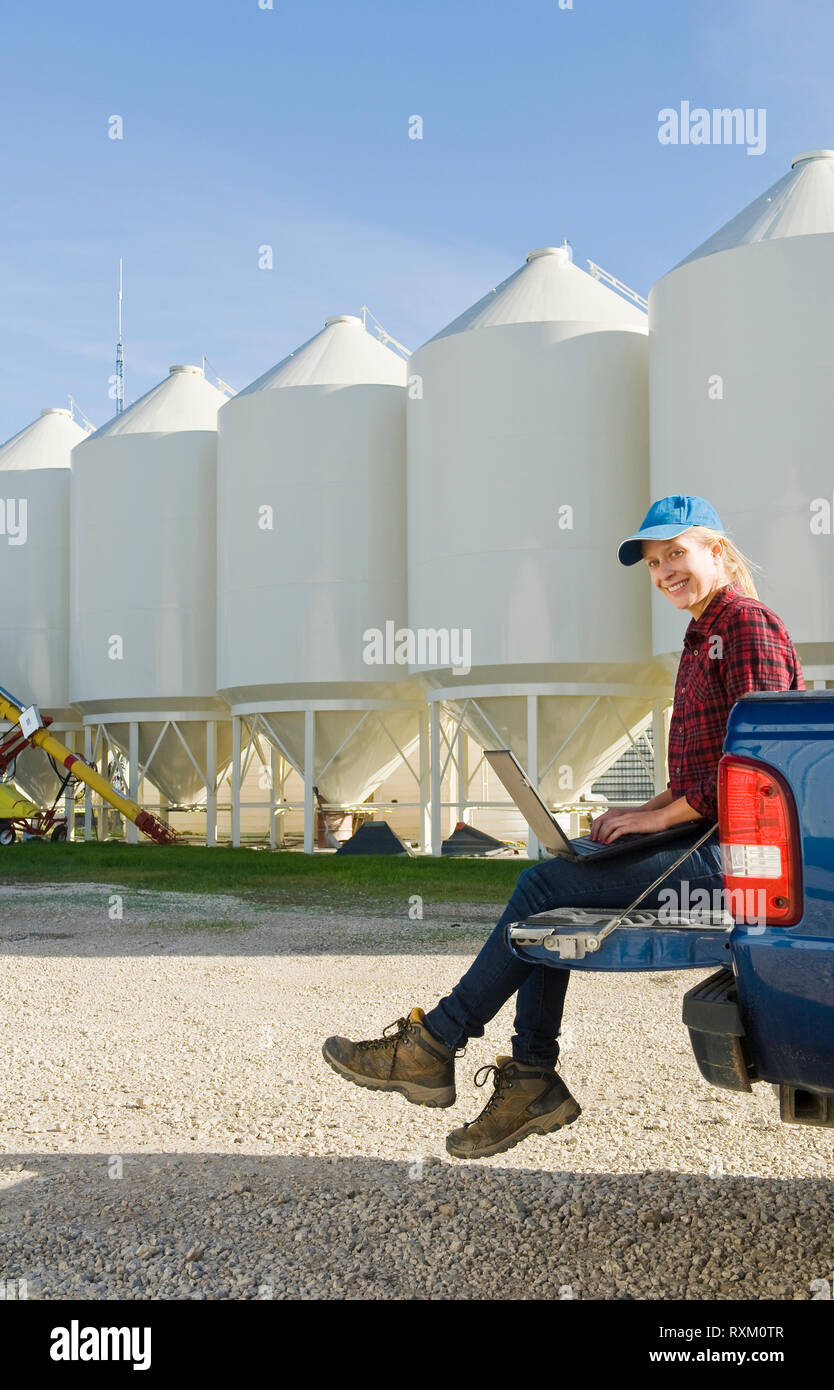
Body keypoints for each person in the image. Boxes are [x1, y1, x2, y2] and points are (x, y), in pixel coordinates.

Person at [322, 496, 805, 1160]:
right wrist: (641, 813)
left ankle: (443, 1049)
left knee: (546, 889)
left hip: (737, 860)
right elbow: (703, 764)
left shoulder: (745, 625)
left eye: (677, 555)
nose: (665, 572)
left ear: (717, 551)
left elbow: (754, 765)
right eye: (655, 563)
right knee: (562, 874)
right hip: (704, 838)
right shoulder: (702, 633)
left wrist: (658, 816)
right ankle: (523, 1075)